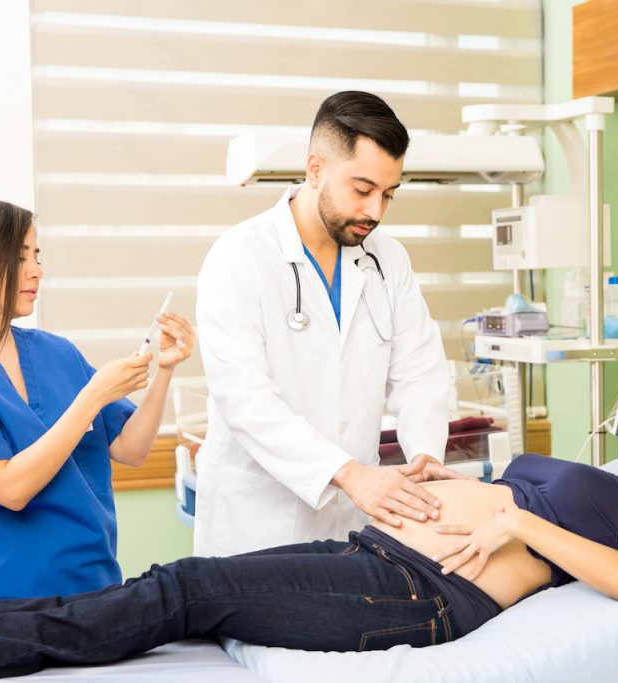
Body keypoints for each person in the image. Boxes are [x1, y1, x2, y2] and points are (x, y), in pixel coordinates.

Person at [0, 405, 618, 680]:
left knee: (184, 588)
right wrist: (450, 484)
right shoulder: (614, 477)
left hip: (421, 599)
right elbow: (510, 503)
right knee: (173, 580)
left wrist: (512, 517)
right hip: (377, 557)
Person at [0, 199, 197, 611]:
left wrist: (163, 371)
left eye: (37, 256)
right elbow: (11, 489)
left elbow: (132, 449)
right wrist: (92, 397)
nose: (37, 270)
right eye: (19, 257)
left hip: (90, 590)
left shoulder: (57, 353)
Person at [194, 90, 461, 556]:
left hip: (354, 523)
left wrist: (424, 458)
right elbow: (245, 400)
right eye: (362, 190)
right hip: (259, 524)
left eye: (389, 194)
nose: (375, 212)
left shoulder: (388, 261)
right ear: (315, 169)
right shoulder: (240, 257)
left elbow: (420, 374)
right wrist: (349, 473)